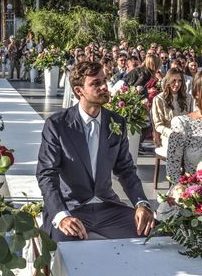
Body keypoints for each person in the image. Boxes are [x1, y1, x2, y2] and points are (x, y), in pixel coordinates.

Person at [36, 61, 155, 241]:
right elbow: (46, 174)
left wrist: (141, 203)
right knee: (65, 250)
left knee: (156, 232)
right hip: (71, 208)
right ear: (78, 91)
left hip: (107, 207)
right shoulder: (57, 125)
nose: (104, 87)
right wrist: (61, 216)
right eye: (95, 83)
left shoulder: (116, 122)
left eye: (104, 81)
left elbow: (126, 170)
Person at [152, 68, 193, 150]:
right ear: (168, 81)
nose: (177, 84)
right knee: (178, 147)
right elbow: (158, 125)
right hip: (168, 136)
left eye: (180, 81)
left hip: (186, 135)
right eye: (173, 80)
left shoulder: (188, 98)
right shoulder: (159, 99)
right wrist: (172, 133)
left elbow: (191, 119)